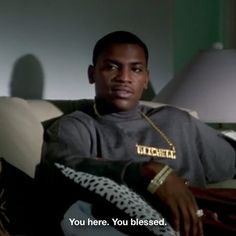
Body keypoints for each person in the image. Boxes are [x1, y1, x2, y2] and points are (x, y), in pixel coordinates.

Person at [36, 31, 236, 236]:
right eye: (112, 67)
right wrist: (148, 172)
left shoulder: (177, 121)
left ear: (146, 78)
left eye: (136, 69)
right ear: (92, 73)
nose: (124, 78)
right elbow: (61, 167)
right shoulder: (76, 126)